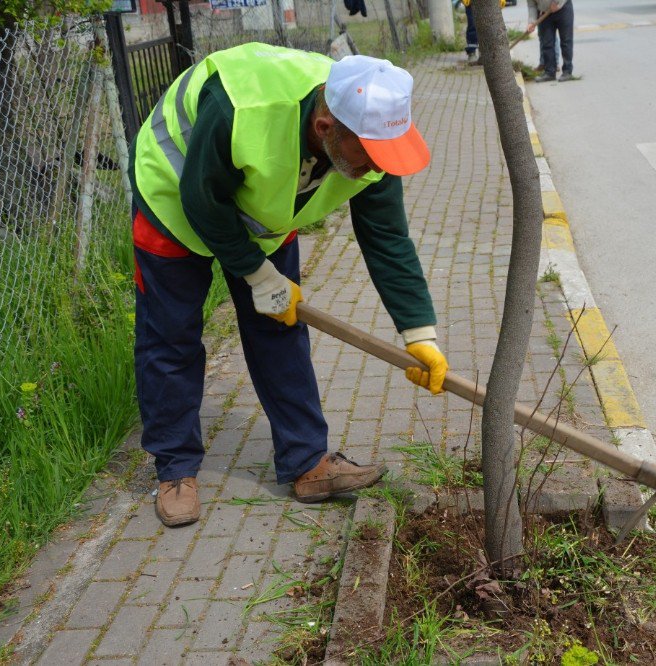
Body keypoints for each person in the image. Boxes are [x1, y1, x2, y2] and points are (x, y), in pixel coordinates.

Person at [128, 44, 449, 527]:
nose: (379, 168)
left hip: (262, 210)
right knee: (171, 336)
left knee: (279, 326)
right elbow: (202, 198)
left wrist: (419, 335)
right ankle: (175, 468)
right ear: (326, 129)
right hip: (174, 195)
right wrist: (257, 275)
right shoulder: (244, 108)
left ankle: (306, 462)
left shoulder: (370, 139)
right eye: (371, 157)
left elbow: (387, 240)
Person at [526, 0, 575, 82]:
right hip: (544, 13)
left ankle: (567, 71)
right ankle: (549, 72)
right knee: (547, 43)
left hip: (563, 8)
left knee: (566, 41)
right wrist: (531, 21)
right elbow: (532, 6)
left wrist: (557, 2)